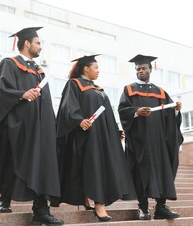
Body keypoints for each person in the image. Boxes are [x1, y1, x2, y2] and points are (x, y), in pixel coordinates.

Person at [0, 27, 64, 225]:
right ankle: (5, 199)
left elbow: (45, 100)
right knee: (13, 161)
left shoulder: (39, 71)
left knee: (41, 164)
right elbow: (2, 90)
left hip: (39, 128)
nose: (41, 47)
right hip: (18, 124)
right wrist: (21, 94)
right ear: (27, 43)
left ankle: (40, 210)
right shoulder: (10, 64)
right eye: (38, 43)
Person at [56, 55, 136, 222]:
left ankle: (91, 200)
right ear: (86, 68)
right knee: (92, 167)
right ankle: (98, 205)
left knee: (99, 167)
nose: (98, 71)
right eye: (96, 68)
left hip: (100, 137)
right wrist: (78, 120)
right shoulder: (74, 84)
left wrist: (115, 131)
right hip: (84, 135)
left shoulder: (98, 88)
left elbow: (106, 113)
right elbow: (67, 106)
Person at [118, 54, 184, 220]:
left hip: (159, 142)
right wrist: (135, 112)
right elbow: (123, 110)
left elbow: (169, 113)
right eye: (138, 69)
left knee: (163, 170)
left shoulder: (160, 92)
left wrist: (175, 109)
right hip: (140, 141)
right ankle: (143, 208)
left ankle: (161, 207)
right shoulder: (129, 90)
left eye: (143, 68)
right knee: (141, 172)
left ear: (151, 69)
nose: (140, 71)